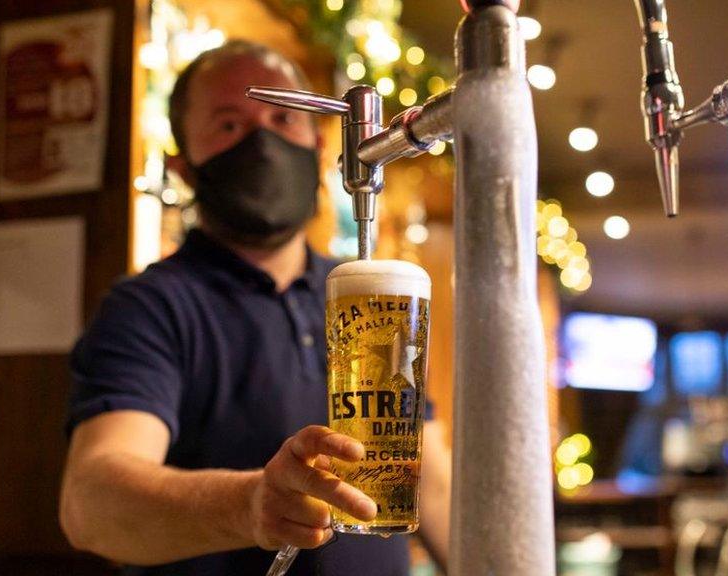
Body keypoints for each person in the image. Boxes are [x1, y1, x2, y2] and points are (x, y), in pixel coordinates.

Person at [58, 40, 451, 575]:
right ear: (183, 167)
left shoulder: (370, 295)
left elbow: (432, 484)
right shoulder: (152, 306)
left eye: (284, 117)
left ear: (317, 145)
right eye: (228, 125)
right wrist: (250, 504)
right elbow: (91, 505)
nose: (262, 141)